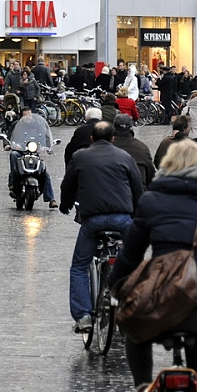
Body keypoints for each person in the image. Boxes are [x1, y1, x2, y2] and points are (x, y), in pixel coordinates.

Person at [109, 140, 197, 392]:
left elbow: (131, 255)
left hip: (160, 302)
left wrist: (114, 283)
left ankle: (143, 388)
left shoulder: (151, 200)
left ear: (168, 166)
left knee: (134, 333)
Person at [59, 120, 143, 333]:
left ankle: (83, 316)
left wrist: (65, 205)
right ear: (113, 139)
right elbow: (137, 188)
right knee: (133, 263)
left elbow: (68, 185)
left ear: (91, 138)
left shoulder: (80, 157)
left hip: (93, 220)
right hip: (123, 219)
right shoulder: (125, 157)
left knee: (79, 266)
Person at [6, 106, 58, 208]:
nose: (28, 118)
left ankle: (51, 199)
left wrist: (47, 146)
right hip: (20, 151)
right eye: (25, 116)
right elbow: (8, 137)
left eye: (29, 115)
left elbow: (46, 136)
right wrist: (8, 144)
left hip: (34, 151)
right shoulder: (16, 125)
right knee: (13, 155)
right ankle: (13, 178)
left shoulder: (38, 125)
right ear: (21, 116)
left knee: (44, 172)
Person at [112, 113, 155, 189]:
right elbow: (151, 175)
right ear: (131, 128)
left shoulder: (108, 147)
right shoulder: (142, 148)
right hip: (138, 194)